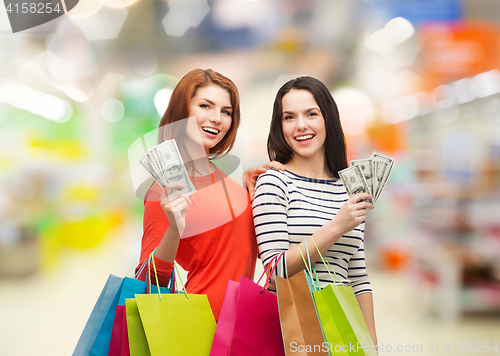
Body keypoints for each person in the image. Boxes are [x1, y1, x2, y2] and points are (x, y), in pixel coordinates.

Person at [136, 68, 283, 321]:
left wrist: (252, 198)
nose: (217, 118)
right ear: (183, 112)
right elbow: (147, 280)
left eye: (226, 111)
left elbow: (254, 251)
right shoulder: (165, 189)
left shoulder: (231, 183)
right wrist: (174, 229)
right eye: (206, 106)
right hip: (200, 324)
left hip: (243, 323)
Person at [252, 76, 378, 346]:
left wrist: (371, 346)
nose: (301, 125)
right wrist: (336, 226)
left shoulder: (349, 187)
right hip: (292, 332)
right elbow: (275, 271)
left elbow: (357, 274)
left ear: (328, 119)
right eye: (289, 117)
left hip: (342, 331)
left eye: (311, 114)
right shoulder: (274, 181)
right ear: (280, 126)